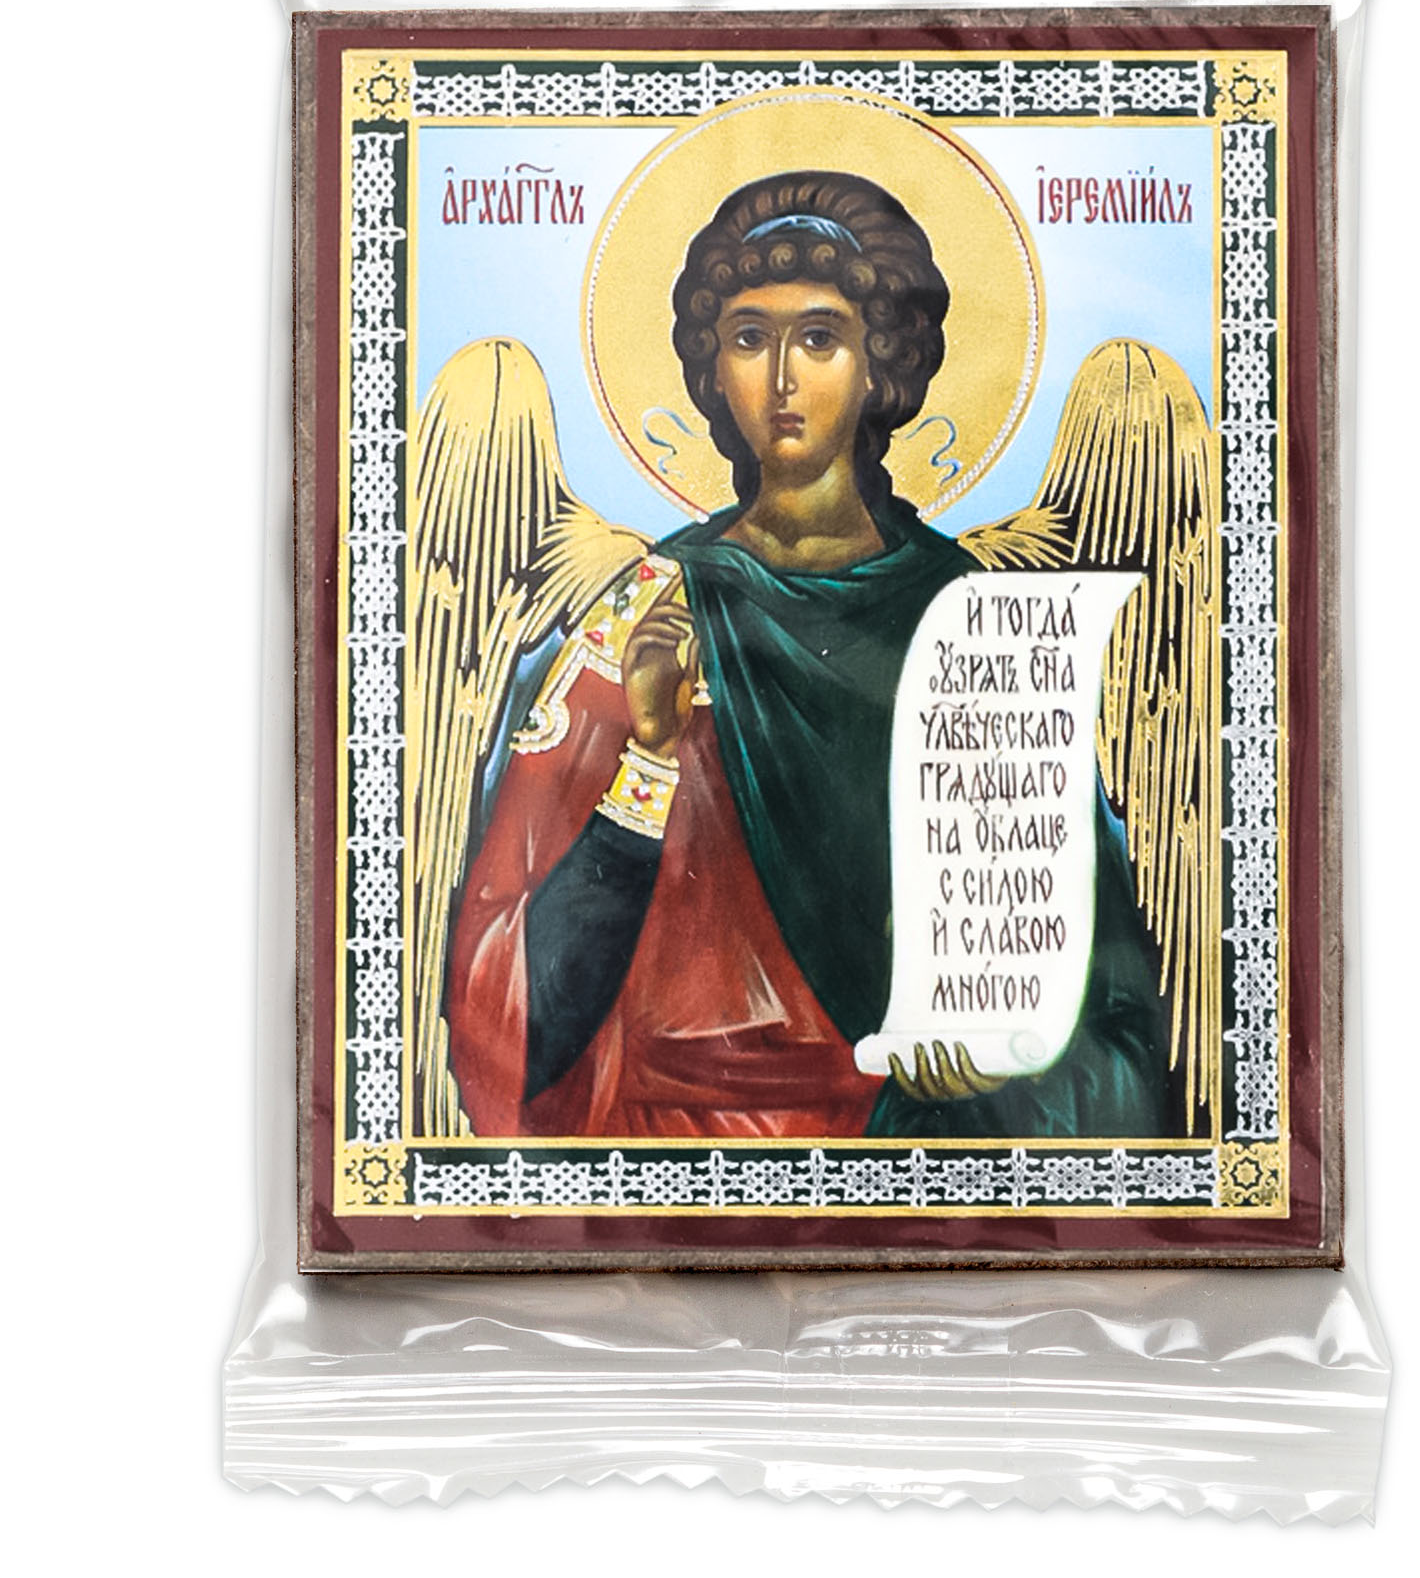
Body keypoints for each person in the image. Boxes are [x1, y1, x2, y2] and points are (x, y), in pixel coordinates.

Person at [444, 170, 1184, 1142]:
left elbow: (1099, 992)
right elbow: (507, 1012)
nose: (783, 379)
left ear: (881, 364)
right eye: (751, 338)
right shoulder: (647, 612)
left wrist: (998, 1064)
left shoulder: (971, 618)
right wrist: (650, 760)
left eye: (821, 338)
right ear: (714, 367)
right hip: (677, 1160)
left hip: (909, 1145)